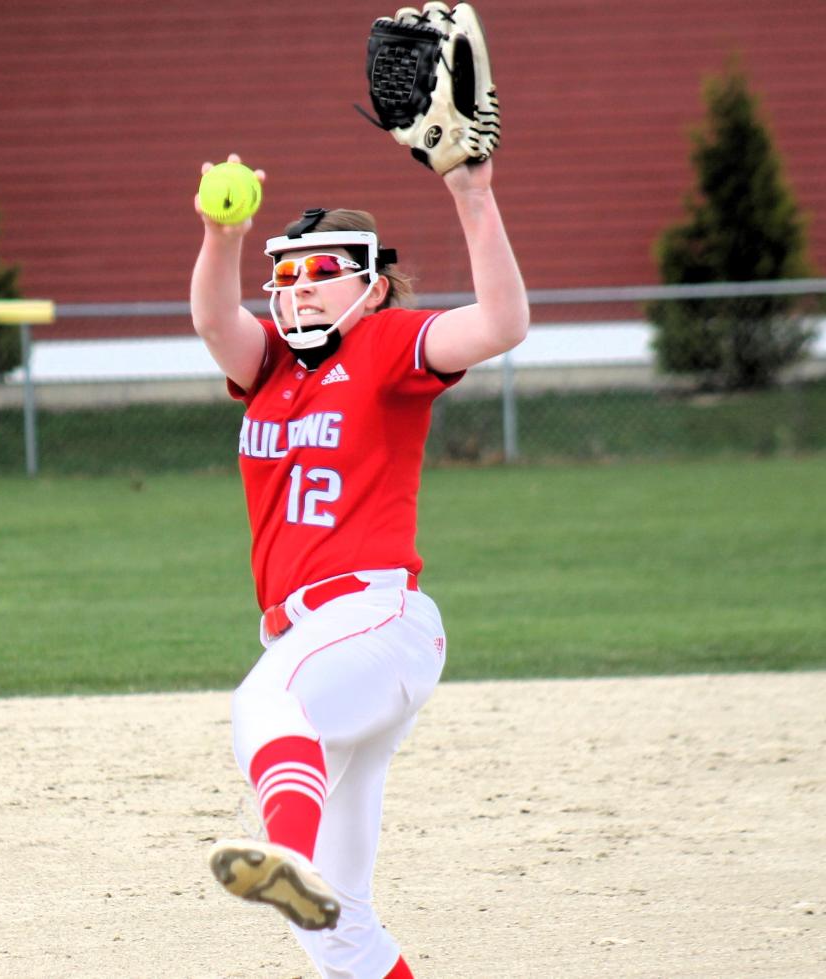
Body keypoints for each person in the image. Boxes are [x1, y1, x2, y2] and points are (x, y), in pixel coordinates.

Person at [190, 150, 529, 979]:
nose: (298, 286)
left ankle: (285, 859)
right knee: (336, 928)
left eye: (323, 273)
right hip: (319, 642)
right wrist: (220, 234)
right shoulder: (267, 362)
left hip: (376, 620)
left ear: (373, 286)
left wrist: (473, 196)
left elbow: (501, 324)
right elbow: (212, 323)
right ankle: (306, 880)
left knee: (268, 701)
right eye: (288, 273)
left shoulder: (383, 343)